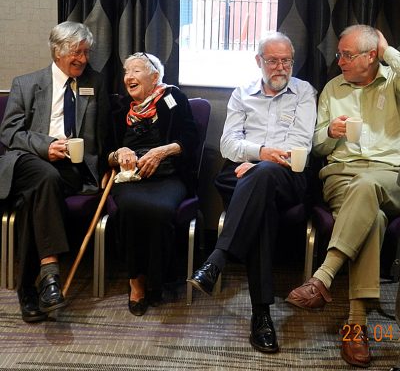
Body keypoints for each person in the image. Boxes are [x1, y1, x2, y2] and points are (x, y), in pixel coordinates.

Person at [188, 32, 317, 353]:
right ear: (259, 61)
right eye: (273, 60)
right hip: (244, 173)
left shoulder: (303, 92)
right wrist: (259, 154)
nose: (280, 67)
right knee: (262, 207)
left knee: (265, 177)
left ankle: (217, 260)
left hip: (288, 175)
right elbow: (227, 144)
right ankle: (261, 315)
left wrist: (261, 162)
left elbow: (301, 144)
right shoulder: (241, 93)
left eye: (286, 60)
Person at [286, 25, 400, 368]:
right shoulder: (332, 89)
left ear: (371, 56)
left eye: (348, 55)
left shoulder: (393, 80)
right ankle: (356, 324)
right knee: (373, 219)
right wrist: (330, 133)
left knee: (368, 186)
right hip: (341, 176)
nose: (340, 62)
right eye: (339, 54)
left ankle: (323, 277)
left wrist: (389, 50)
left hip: (390, 176)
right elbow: (317, 144)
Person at [0, 21, 110, 323]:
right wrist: (45, 146)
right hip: (27, 161)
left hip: (69, 170)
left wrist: (104, 164)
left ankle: (30, 289)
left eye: (86, 53)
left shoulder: (95, 83)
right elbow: (9, 132)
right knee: (42, 176)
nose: (83, 59)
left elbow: (102, 133)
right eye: (77, 53)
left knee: (35, 195)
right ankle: (49, 278)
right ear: (58, 51)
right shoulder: (27, 83)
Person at [108, 52, 199, 316]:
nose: (129, 77)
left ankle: (157, 280)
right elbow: (105, 147)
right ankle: (136, 281)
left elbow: (190, 138)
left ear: (155, 76)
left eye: (137, 71)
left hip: (169, 175)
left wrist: (162, 151)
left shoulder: (173, 99)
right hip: (130, 177)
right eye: (127, 71)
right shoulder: (119, 106)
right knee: (131, 208)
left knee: (160, 210)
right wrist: (119, 152)